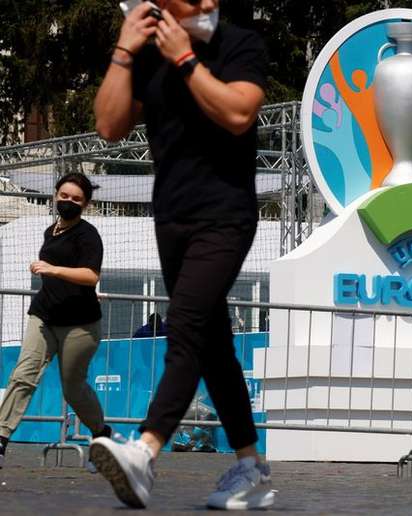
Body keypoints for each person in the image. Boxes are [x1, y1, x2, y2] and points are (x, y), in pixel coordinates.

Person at [90, 0, 271, 510]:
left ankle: (144, 452)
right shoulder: (146, 54)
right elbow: (108, 125)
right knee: (212, 343)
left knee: (186, 323)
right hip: (171, 217)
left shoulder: (239, 44)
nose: (208, 2)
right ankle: (251, 465)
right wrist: (126, 49)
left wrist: (186, 60)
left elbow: (238, 112)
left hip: (226, 215)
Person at [0, 173, 111, 469]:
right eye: (64, 196)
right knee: (23, 375)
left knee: (73, 388)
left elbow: (90, 275)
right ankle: (0, 440)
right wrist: (44, 268)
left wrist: (53, 269)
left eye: (76, 199)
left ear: (86, 204)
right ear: (55, 196)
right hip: (44, 315)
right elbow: (52, 268)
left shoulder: (88, 235)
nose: (68, 202)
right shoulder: (53, 230)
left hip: (80, 325)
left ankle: (102, 435)